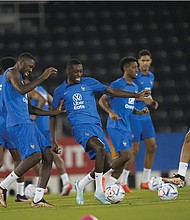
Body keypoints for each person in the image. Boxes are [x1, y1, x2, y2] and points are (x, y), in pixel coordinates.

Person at [50, 59, 150, 205]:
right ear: (68, 71)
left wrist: (136, 95)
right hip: (80, 127)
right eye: (75, 71)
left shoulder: (89, 82)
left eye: (80, 71)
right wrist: (53, 139)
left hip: (96, 126)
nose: (79, 74)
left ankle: (81, 184)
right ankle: (99, 192)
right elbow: (53, 114)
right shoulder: (60, 90)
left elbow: (111, 91)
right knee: (100, 149)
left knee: (108, 164)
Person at [0, 52, 63, 208]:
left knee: (47, 155)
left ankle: (38, 198)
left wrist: (51, 112)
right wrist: (43, 76)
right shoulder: (12, 72)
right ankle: (3, 186)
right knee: (34, 156)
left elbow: (29, 108)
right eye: (29, 66)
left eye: (32, 68)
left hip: (27, 121)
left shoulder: (20, 79)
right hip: (18, 123)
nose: (30, 70)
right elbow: (21, 90)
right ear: (20, 63)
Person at [98, 56, 150, 192]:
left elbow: (128, 106)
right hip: (116, 125)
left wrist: (139, 112)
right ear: (126, 68)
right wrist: (110, 112)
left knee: (123, 162)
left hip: (127, 127)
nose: (136, 70)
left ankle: (109, 188)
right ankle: (101, 175)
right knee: (126, 155)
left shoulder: (134, 86)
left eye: (137, 68)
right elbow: (102, 101)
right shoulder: (116, 84)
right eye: (134, 67)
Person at [24, 74, 72, 196]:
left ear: (28, 80)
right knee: (53, 155)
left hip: (38, 127)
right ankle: (66, 182)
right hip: (46, 126)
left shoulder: (30, 89)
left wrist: (34, 117)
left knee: (32, 156)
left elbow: (43, 100)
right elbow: (51, 101)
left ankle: (41, 186)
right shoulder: (42, 89)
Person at [119, 49, 159, 191]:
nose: (145, 63)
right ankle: (123, 181)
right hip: (134, 115)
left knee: (152, 146)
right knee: (134, 149)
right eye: (142, 61)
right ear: (138, 61)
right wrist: (144, 99)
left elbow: (147, 95)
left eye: (148, 60)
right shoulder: (134, 77)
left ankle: (145, 181)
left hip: (145, 116)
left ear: (151, 61)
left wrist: (152, 101)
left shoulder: (151, 76)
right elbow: (131, 94)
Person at [0, 57, 32, 202]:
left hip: (2, 123)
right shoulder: (11, 78)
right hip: (12, 123)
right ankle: (20, 194)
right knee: (20, 158)